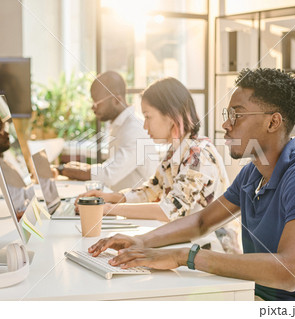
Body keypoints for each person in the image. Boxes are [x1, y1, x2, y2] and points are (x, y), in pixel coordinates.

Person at [86, 68, 295, 301]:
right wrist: (141, 241)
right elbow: (201, 222)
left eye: (237, 115)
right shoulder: (252, 174)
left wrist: (184, 256)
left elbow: (289, 273)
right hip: (249, 291)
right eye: (227, 114)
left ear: (273, 122)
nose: (225, 124)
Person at [77, 77, 241, 253]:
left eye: (148, 117)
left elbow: (168, 210)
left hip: (212, 252)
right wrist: (109, 198)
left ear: (171, 115)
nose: (145, 126)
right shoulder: (175, 151)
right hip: (186, 246)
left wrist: (108, 209)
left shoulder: (198, 155)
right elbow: (151, 191)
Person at [60, 71, 158, 192]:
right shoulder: (120, 125)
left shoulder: (135, 129)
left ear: (116, 100)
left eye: (97, 102)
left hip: (136, 206)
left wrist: (63, 170)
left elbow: (109, 175)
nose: (93, 107)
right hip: (121, 202)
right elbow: (111, 167)